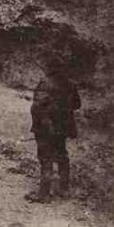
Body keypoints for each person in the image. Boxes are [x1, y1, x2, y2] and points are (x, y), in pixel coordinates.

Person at [25, 57, 81, 203]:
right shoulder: (71, 84)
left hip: (46, 127)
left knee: (45, 158)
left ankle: (43, 194)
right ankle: (63, 190)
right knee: (62, 156)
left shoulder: (45, 83)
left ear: (49, 68)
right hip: (62, 128)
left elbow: (37, 107)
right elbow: (77, 105)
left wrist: (41, 122)